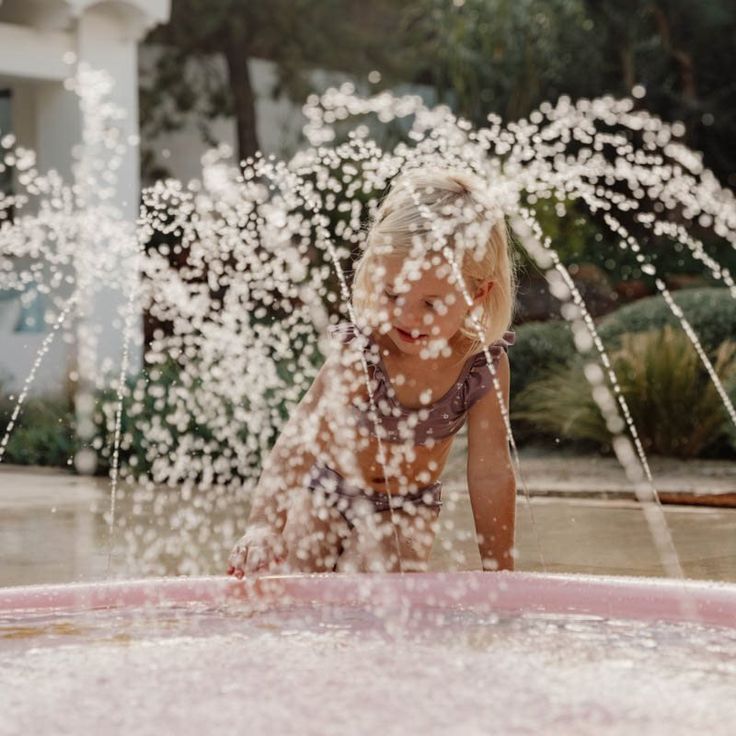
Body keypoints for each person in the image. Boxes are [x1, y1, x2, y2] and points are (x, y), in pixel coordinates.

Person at [227, 167, 517, 576]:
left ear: (477, 294)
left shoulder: (481, 364)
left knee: (379, 577)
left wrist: (500, 572)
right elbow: (299, 440)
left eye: (430, 304)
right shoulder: (362, 353)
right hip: (326, 490)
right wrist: (263, 525)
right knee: (293, 573)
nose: (406, 316)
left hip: (407, 506)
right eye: (392, 294)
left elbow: (490, 471)